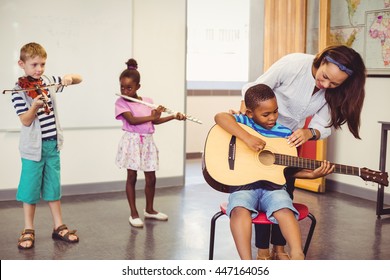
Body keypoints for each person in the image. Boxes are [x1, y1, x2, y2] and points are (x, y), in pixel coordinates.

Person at [238, 45, 366, 260]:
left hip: (287, 141)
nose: (325, 84)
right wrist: (245, 120)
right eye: (325, 76)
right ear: (322, 59)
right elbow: (257, 88)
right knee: (263, 188)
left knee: (284, 193)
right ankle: (262, 251)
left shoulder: (334, 91)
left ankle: (279, 248)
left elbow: (323, 125)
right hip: (260, 133)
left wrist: (309, 132)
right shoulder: (294, 64)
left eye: (334, 83)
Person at [215, 83, 334, 260]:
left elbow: (286, 170)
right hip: (244, 187)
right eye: (266, 114)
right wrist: (247, 138)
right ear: (250, 113)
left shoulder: (284, 133)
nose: (272, 118)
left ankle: (297, 255)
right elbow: (220, 117)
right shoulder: (243, 122)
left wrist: (310, 175)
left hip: (273, 188)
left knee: (285, 207)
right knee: (240, 209)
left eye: (275, 111)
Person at [11, 42, 82, 249]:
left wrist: (70, 79)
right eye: (34, 65)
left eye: (42, 64)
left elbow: (79, 78)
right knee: (30, 190)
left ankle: (58, 226)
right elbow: (25, 120)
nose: (39, 69)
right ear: (21, 64)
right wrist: (34, 107)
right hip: (32, 148)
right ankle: (28, 229)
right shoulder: (18, 90)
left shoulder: (47, 81)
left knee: (53, 187)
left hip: (52, 146)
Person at [115, 58, 186, 228]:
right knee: (131, 176)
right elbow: (132, 121)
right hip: (132, 142)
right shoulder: (120, 102)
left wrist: (173, 116)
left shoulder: (146, 99)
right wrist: (152, 116)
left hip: (147, 142)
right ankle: (133, 213)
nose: (125, 90)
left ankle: (149, 210)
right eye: (122, 87)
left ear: (138, 87)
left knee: (151, 178)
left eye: (129, 87)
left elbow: (153, 122)